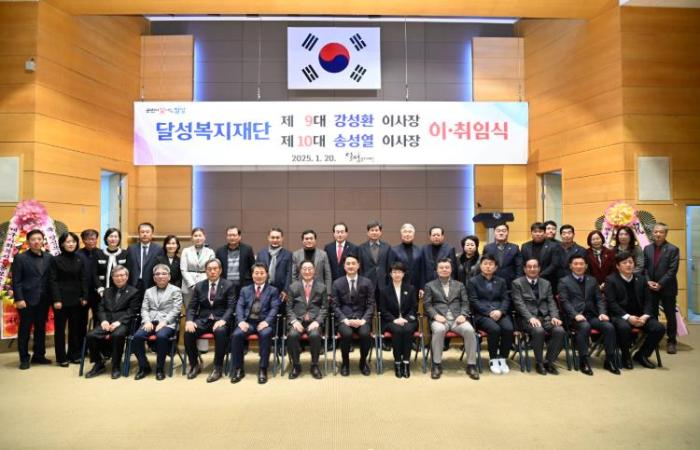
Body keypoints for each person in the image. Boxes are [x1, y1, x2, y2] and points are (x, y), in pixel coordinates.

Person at [558, 255, 619, 375]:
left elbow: (599, 299)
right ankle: (583, 360)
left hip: (592, 315)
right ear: (570, 266)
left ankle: (609, 360)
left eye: (581, 264)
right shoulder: (564, 281)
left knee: (609, 327)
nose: (579, 266)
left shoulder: (592, 280)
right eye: (576, 264)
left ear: (586, 266)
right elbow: (564, 301)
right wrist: (575, 315)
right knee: (584, 327)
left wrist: (602, 313)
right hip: (574, 317)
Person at [605, 252, 665, 369]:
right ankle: (625, 356)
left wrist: (645, 316)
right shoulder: (611, 280)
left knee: (659, 328)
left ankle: (642, 355)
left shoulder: (641, 279)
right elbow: (611, 303)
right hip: (620, 315)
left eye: (631, 262)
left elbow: (649, 301)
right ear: (618, 266)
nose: (628, 265)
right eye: (624, 263)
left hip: (640, 315)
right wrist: (628, 317)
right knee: (624, 328)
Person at [424, 258, 479, 380]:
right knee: (438, 330)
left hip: (457, 319)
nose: (444, 269)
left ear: (451, 269)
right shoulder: (430, 285)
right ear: (437, 270)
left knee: (470, 330)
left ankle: (471, 365)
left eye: (447, 267)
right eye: (441, 267)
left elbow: (465, 302)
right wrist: (435, 316)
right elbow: (427, 305)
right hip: (439, 319)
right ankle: (436, 364)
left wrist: (463, 314)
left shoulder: (459, 285)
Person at [183, 259, 235, 382]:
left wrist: (223, 320)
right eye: (209, 269)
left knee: (220, 332)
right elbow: (192, 307)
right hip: (203, 320)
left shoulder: (228, 285)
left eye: (215, 269)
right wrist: (189, 320)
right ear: (206, 271)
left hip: (220, 320)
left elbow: (231, 306)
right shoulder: (199, 286)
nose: (212, 271)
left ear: (220, 270)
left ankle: (217, 367)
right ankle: (194, 365)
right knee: (188, 332)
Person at [84, 265, 141, 379]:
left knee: (117, 335)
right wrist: (104, 320)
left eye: (122, 275)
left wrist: (118, 322)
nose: (119, 278)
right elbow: (100, 308)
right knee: (91, 335)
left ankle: (116, 366)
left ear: (127, 276)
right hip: (106, 322)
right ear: (112, 277)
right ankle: (98, 363)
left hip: (123, 323)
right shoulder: (107, 291)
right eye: (116, 276)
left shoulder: (134, 292)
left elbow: (132, 311)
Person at [230, 263, 282, 385]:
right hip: (248, 322)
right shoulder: (245, 290)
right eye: (256, 273)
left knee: (265, 334)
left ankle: (263, 369)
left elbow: (275, 308)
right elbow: (239, 306)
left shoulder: (273, 290)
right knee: (237, 335)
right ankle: (238, 369)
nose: (259, 276)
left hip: (264, 322)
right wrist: (241, 321)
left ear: (267, 274)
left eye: (262, 273)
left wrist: (266, 322)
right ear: (252, 275)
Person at [512, 259, 565, 375]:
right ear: (524, 269)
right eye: (529, 267)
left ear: (539, 268)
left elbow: (551, 302)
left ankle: (549, 362)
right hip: (526, 319)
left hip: (545, 318)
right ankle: (539, 362)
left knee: (559, 330)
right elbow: (519, 304)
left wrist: (554, 316)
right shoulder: (517, 283)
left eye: (535, 266)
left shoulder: (546, 283)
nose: (532, 269)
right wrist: (530, 318)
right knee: (538, 330)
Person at [132, 263, 183, 380]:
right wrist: (146, 321)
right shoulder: (149, 291)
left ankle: (160, 368)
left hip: (167, 323)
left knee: (161, 336)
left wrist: (165, 322)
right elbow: (144, 309)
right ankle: (144, 366)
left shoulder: (176, 290)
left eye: (164, 274)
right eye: (157, 274)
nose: (160, 276)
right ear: (154, 278)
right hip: (150, 321)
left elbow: (176, 309)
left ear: (169, 276)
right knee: (137, 337)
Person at [11, 229, 53, 369]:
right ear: (28, 241)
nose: (36, 241)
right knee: (25, 330)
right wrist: (19, 299)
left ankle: (39, 355)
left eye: (39, 239)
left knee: (40, 329)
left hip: (44, 300)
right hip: (26, 300)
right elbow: (16, 281)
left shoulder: (49, 257)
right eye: (33, 239)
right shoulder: (20, 258)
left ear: (43, 241)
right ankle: (24, 358)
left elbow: (51, 279)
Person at [469, 254, 514, 375]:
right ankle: (493, 359)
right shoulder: (473, 281)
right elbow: (474, 301)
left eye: (491, 264)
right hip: (481, 315)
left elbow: (506, 299)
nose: (488, 266)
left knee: (508, 328)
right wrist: (488, 312)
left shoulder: (501, 281)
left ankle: (502, 358)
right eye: (485, 264)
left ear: (495, 267)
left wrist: (500, 311)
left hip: (499, 312)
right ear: (480, 266)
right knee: (494, 329)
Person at [49, 231, 88, 367]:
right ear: (62, 244)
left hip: (77, 299)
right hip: (61, 300)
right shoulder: (55, 260)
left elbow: (83, 278)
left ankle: (74, 354)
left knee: (75, 329)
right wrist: (56, 299)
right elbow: (53, 281)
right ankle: (61, 357)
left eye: (73, 241)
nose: (71, 244)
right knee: (60, 330)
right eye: (68, 242)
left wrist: (84, 296)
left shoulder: (80, 259)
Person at [331, 254, 375, 376]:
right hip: (344, 319)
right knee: (346, 334)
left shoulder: (367, 282)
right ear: (344, 266)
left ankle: (363, 362)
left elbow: (371, 304)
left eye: (353, 263)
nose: (351, 266)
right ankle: (345, 363)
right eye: (348, 264)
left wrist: (364, 320)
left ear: (358, 265)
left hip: (362, 319)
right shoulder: (337, 283)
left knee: (365, 334)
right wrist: (345, 320)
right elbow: (334, 305)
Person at [286, 260, 328, 380]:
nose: (307, 271)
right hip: (297, 321)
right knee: (292, 335)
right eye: (304, 269)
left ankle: (314, 365)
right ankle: (296, 365)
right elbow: (288, 308)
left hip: (314, 321)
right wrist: (294, 321)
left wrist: (317, 321)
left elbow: (325, 308)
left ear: (314, 271)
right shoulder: (293, 287)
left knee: (315, 335)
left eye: (310, 269)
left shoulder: (322, 287)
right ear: (300, 271)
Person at [643, 223, 680, 354]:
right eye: (656, 232)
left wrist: (660, 284)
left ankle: (672, 341)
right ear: (652, 233)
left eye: (661, 232)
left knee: (670, 315)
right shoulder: (647, 248)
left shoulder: (673, 249)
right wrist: (648, 281)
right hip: (651, 288)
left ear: (665, 234)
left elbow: (672, 270)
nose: (658, 234)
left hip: (667, 288)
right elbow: (644, 268)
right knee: (652, 314)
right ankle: (655, 339)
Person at [378, 262, 418, 378]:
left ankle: (406, 362)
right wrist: (394, 320)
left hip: (408, 320)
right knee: (398, 330)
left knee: (407, 330)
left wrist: (405, 319)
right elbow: (383, 310)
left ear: (403, 274)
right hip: (391, 321)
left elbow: (414, 308)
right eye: (394, 272)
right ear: (390, 274)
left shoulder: (410, 289)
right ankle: (397, 362)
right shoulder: (384, 290)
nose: (397, 274)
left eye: (399, 272)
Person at [215, 225, 256, 299]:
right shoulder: (220, 251)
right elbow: (218, 269)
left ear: (239, 237)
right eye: (229, 235)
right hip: (226, 285)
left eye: (234, 235)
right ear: (227, 237)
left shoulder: (247, 249)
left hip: (244, 285)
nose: (232, 237)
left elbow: (252, 267)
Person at [521, 222, 561, 291]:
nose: (537, 234)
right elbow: (522, 263)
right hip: (528, 281)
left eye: (540, 231)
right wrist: (530, 275)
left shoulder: (553, 246)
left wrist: (539, 276)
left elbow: (554, 264)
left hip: (548, 280)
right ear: (531, 233)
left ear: (544, 233)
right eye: (535, 232)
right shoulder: (525, 246)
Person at [180, 228, 215, 307]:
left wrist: (201, 285)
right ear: (192, 238)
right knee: (189, 309)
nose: (198, 238)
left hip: (204, 284)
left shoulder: (210, 252)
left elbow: (211, 270)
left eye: (200, 235)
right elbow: (183, 270)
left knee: (203, 309)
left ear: (204, 237)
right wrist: (192, 284)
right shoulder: (186, 251)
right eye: (195, 236)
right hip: (188, 285)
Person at [292, 229, 332, 295]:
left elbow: (328, 275)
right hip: (301, 291)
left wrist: (328, 292)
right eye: (306, 239)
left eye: (311, 238)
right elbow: (294, 275)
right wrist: (295, 290)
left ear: (315, 240)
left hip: (320, 291)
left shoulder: (323, 254)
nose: (309, 241)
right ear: (302, 240)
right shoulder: (296, 255)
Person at [126, 222, 163, 294]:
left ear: (152, 234)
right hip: (134, 284)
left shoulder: (158, 249)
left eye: (147, 232)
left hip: (151, 285)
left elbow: (160, 267)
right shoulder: (131, 248)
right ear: (139, 234)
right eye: (142, 232)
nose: (145, 234)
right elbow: (128, 267)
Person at [482, 223, 522, 289]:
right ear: (494, 233)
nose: (501, 233)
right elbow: (484, 265)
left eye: (504, 231)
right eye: (498, 231)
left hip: (511, 283)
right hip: (492, 281)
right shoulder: (488, 248)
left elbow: (519, 267)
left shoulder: (514, 248)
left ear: (507, 232)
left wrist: (517, 282)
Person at [256, 227, 293, 299]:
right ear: (268, 238)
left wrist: (285, 290)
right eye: (272, 237)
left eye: (277, 237)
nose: (275, 240)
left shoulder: (288, 254)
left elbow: (289, 274)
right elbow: (256, 272)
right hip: (264, 289)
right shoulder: (261, 254)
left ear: (282, 238)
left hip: (281, 291)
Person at [417, 226, 458, 291]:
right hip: (428, 284)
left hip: (445, 284)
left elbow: (453, 270)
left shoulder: (450, 249)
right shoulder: (424, 249)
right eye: (434, 235)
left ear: (442, 236)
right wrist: (422, 287)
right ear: (430, 237)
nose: (436, 237)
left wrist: (452, 287)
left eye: (438, 235)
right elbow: (422, 270)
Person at [357, 220, 392, 293]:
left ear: (380, 232)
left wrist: (389, 283)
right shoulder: (361, 248)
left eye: (376, 230)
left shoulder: (387, 247)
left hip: (383, 283)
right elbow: (360, 268)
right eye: (372, 230)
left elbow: (389, 267)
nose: (374, 232)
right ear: (367, 233)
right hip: (366, 283)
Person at [95, 227, 129, 296]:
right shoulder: (98, 254)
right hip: (102, 290)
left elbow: (129, 272)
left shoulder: (125, 253)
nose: (113, 239)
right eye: (111, 236)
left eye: (116, 237)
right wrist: (100, 288)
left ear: (119, 239)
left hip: (122, 291)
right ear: (106, 238)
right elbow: (94, 273)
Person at [77, 229, 100, 328]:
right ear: (83, 240)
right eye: (88, 239)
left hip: (98, 293)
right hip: (82, 293)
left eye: (93, 239)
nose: (91, 241)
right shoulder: (77, 254)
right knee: (81, 321)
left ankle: (95, 338)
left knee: (98, 320)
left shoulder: (101, 253)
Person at [390, 223, 422, 288]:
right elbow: (391, 270)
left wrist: (422, 287)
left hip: (416, 285)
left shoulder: (420, 250)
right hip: (399, 284)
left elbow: (422, 270)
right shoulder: (394, 250)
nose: (407, 234)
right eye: (405, 232)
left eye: (410, 232)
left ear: (413, 234)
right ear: (401, 234)